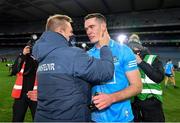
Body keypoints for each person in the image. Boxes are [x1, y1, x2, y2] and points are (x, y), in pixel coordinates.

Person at [30, 14, 114, 122]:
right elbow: (106, 72)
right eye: (70, 32)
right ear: (61, 32)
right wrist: (104, 47)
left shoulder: (42, 56)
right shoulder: (73, 54)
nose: (72, 35)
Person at [84, 13, 142, 122]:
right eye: (86, 28)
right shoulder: (87, 55)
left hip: (122, 118)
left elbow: (137, 86)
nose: (88, 32)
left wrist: (111, 98)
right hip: (95, 118)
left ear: (103, 26)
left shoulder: (124, 50)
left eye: (92, 27)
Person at [128, 34, 165, 122]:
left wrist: (140, 62)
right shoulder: (126, 60)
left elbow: (158, 78)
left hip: (151, 103)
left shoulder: (153, 58)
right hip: (132, 103)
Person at [11, 45, 38, 122]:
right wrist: (23, 54)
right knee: (17, 119)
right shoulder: (22, 57)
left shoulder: (39, 59)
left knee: (39, 119)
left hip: (35, 95)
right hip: (21, 95)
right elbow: (14, 70)